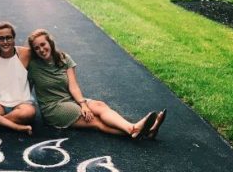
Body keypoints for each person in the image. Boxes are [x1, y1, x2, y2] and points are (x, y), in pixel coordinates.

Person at [27, 29, 167, 139]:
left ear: (50, 43)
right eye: (36, 48)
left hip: (70, 99)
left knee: (100, 105)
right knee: (94, 121)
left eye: (43, 44)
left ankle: (136, 130)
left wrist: (83, 104)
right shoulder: (33, 66)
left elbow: (73, 86)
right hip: (53, 108)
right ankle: (137, 130)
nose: (41, 50)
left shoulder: (64, 58)